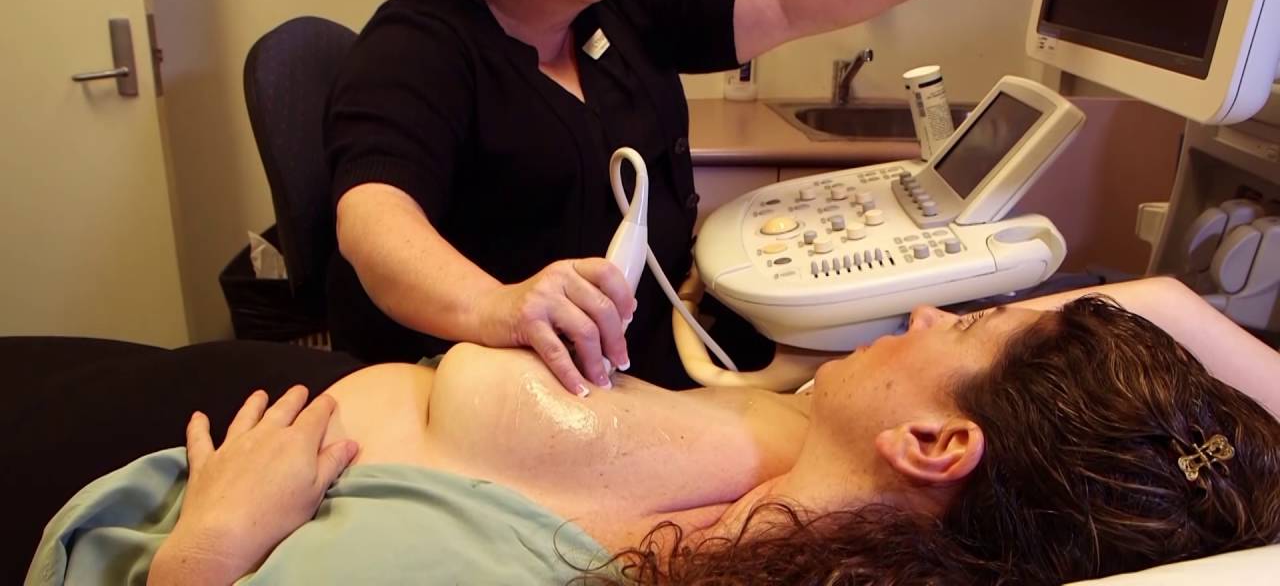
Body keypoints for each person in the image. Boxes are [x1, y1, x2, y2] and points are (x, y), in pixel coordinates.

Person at [324, 0, 1128, 392]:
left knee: (956, 350)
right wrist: (502, 307)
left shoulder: (614, 0)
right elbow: (373, 221)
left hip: (670, 337)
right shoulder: (417, 48)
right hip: (521, 377)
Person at [31, 277, 1280, 584]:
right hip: (222, 414)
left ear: (937, 446)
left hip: (152, 504)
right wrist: (1167, 317)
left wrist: (207, 550)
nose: (920, 310)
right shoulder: (795, 489)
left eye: (961, 325)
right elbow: (1164, 316)